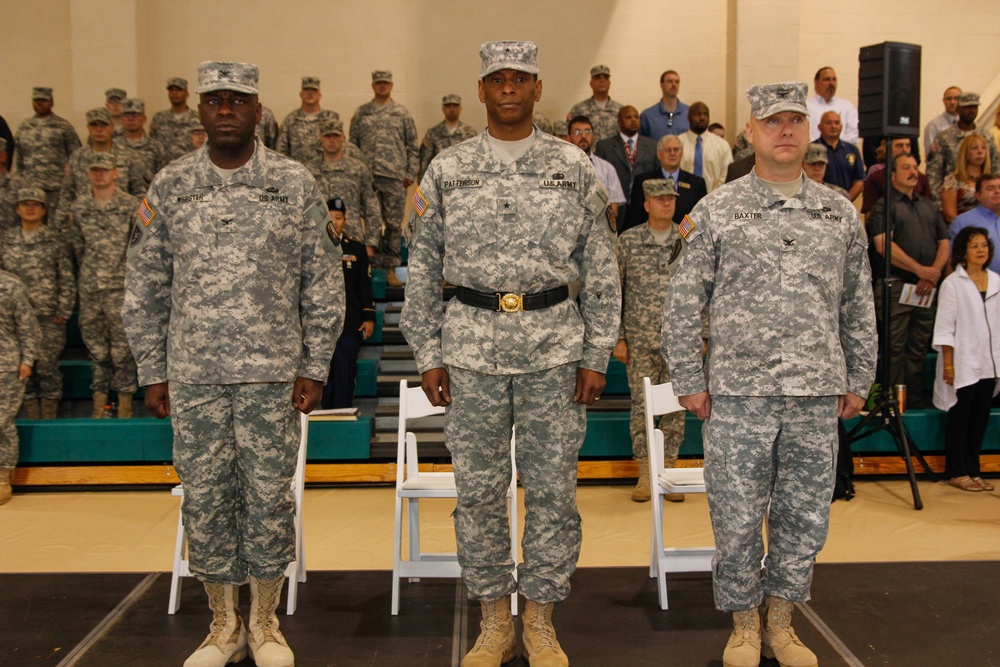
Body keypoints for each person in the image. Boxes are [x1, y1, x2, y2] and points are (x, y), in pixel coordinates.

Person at [399, 41, 620, 667]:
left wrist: (597, 352)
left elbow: (601, 267)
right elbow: (423, 267)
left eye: (519, 79)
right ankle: (495, 619)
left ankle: (542, 621)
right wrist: (427, 352)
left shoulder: (574, 167)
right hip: (470, 349)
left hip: (555, 348)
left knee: (553, 490)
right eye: (496, 79)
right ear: (480, 90)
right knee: (479, 492)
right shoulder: (447, 169)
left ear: (537, 88)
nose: (507, 89)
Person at [122, 60, 344, 667]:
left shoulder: (293, 184)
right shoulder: (169, 186)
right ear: (199, 110)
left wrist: (315, 364)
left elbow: (322, 281)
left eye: (237, 99)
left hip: (273, 375)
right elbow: (144, 284)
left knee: (269, 497)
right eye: (214, 99)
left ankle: (266, 624)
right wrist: (153, 369)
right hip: (194, 376)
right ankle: (223, 625)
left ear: (257, 110)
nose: (225, 109)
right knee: (207, 499)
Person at [663, 81, 876, 667]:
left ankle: (781, 624)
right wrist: (689, 378)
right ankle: (742, 628)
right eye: (772, 121)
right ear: (750, 133)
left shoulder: (837, 212)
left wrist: (859, 377)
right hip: (738, 392)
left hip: (813, 392)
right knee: (735, 516)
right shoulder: (715, 210)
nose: (785, 131)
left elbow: (858, 303)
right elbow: (683, 300)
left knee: (803, 516)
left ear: (808, 131)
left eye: (794, 121)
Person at [614, 179, 689, 503]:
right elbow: (614, 290)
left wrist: (700, 334)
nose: (666, 204)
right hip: (640, 339)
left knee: (677, 406)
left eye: (670, 199)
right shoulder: (628, 241)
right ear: (646, 204)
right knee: (642, 408)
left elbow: (700, 290)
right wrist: (617, 337)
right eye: (659, 199)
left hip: (679, 341)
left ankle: (668, 471)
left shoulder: (688, 239)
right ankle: (646, 473)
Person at [868, 154, 950, 409]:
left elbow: (944, 242)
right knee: (895, 349)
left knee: (918, 349)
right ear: (892, 176)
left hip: (926, 289)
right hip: (897, 287)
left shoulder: (929, 205)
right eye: (906, 168)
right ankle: (891, 404)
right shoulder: (885, 205)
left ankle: (912, 403)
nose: (913, 172)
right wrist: (920, 270)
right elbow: (883, 244)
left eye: (916, 167)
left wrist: (933, 273)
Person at [69, 153, 139, 418]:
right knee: (96, 349)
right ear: (88, 174)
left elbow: (138, 246)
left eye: (105, 170)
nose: (99, 174)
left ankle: (124, 408)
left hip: (120, 287)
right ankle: (99, 406)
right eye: (95, 170)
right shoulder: (79, 207)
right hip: (91, 288)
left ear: (115, 173)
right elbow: (77, 247)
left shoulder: (131, 205)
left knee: (122, 350)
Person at [932, 226, 1000, 493]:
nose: (981, 250)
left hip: (989, 362)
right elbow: (945, 327)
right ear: (963, 251)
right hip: (961, 361)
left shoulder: (996, 281)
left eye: (984, 245)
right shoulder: (952, 284)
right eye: (974, 246)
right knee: (960, 417)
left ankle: (974, 470)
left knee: (980, 417)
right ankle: (957, 471)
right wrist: (948, 364)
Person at [0, 188, 74, 420]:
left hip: (48, 314)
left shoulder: (54, 239)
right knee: (23, 370)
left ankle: (49, 419)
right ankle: (32, 417)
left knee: (47, 367)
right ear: (17, 209)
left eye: (36, 204)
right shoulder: (6, 239)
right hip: (15, 317)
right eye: (25, 204)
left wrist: (64, 308)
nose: (30, 208)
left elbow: (66, 276)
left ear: (44, 210)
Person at [350, 70, 419, 286]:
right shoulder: (362, 113)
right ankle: (374, 266)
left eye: (385, 83)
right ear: (373, 85)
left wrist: (410, 174)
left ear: (391, 85)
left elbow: (413, 146)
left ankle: (390, 268)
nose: (382, 86)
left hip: (394, 177)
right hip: (368, 177)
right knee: (371, 222)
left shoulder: (402, 113)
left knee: (392, 223)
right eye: (378, 83)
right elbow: (352, 146)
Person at [322, 198, 375, 409]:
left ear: (345, 220)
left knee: (345, 372)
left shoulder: (355, 248)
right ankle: (324, 418)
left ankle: (343, 415)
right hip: (321, 322)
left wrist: (369, 316)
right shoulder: (314, 246)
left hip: (349, 322)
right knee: (323, 373)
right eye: (330, 217)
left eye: (339, 217)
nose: (335, 222)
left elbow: (363, 286)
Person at [314, 118, 382, 257]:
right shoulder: (309, 170)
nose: (332, 140)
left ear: (344, 138)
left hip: (352, 240)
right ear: (320, 138)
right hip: (316, 242)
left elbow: (372, 208)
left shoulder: (358, 169)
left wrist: (370, 242)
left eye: (336, 136)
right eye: (327, 136)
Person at [0, 268, 39, 505]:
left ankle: (3, 478)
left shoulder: (10, 285)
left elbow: (27, 326)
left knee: (2, 422)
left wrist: (27, 359)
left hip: (5, 365)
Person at [14, 87, 81, 212]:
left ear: (52, 102)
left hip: (56, 188)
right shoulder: (24, 126)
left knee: (56, 226)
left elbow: (75, 156)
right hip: (30, 188)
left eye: (44, 100)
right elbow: (18, 157)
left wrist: (71, 183)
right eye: (36, 100)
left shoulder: (63, 126)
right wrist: (19, 182)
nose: (40, 103)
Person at [624, 134, 707, 232]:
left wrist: (682, 234)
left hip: (686, 239)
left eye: (676, 150)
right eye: (668, 150)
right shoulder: (643, 181)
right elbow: (634, 218)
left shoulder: (697, 183)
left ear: (681, 154)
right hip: (650, 241)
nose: (672, 153)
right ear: (659, 154)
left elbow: (700, 219)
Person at [594, 105, 658, 226]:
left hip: (643, 206)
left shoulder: (652, 145)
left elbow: (657, 174)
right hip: (616, 205)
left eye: (636, 117)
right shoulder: (605, 146)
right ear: (619, 122)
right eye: (628, 117)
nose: (633, 120)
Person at [276, 77, 340, 173]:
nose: (310, 93)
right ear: (301, 94)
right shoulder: (291, 119)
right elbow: (281, 151)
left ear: (319, 95)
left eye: (314, 90)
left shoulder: (330, 118)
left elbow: (340, 146)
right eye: (306, 90)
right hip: (297, 173)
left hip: (325, 175)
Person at [567, 115, 626, 219]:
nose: (583, 136)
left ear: (593, 136)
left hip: (599, 229)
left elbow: (614, 208)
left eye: (587, 131)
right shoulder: (560, 166)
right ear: (568, 137)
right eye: (577, 132)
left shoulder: (607, 168)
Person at [418, 94, 478, 182]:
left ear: (460, 108)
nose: (452, 109)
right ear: (443, 109)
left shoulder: (470, 133)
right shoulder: (433, 133)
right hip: (440, 183)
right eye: (448, 106)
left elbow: (477, 162)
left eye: (455, 106)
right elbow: (425, 163)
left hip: (464, 183)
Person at [678, 101, 733, 192]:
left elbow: (726, 174)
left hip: (714, 197)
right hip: (683, 197)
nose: (702, 118)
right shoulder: (678, 143)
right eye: (698, 114)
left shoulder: (722, 145)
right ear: (688, 117)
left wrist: (713, 195)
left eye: (706, 114)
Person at [951, 173, 1000, 273]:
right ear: (978, 195)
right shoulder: (962, 222)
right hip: (977, 285)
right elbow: (952, 260)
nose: (997, 191)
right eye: (990, 188)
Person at [812, 111, 864, 200]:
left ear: (841, 127)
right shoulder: (810, 149)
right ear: (819, 127)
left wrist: (845, 201)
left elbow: (860, 181)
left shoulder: (852, 150)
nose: (833, 126)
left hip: (846, 204)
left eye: (837, 123)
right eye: (829, 123)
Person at [566, 65, 623, 143]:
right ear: (591, 83)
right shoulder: (578, 109)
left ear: (609, 83)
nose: (602, 81)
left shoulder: (620, 110)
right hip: (587, 153)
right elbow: (569, 133)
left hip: (612, 154)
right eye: (597, 78)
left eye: (605, 78)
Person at [942, 134, 991, 224]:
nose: (980, 151)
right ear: (965, 153)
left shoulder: (991, 181)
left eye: (983, 148)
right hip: (963, 231)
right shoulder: (953, 181)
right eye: (974, 148)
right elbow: (950, 215)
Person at [150, 77, 200, 163]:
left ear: (187, 93)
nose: (174, 93)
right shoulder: (159, 118)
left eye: (179, 90)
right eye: (171, 90)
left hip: (189, 169)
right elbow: (152, 145)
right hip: (163, 169)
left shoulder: (197, 118)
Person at [805, 67, 859, 144]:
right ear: (816, 82)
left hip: (841, 153)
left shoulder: (847, 107)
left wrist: (835, 146)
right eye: (826, 79)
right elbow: (802, 134)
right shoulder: (806, 107)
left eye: (834, 79)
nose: (831, 83)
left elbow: (853, 134)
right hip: (813, 152)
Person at [639, 70, 689, 141]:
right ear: (661, 85)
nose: (674, 84)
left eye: (677, 82)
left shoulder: (689, 113)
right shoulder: (647, 115)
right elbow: (640, 143)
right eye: (670, 81)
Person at [923, 86, 962, 156]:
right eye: (948, 99)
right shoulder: (933, 126)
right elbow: (930, 156)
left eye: (956, 98)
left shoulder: (968, 125)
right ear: (943, 101)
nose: (952, 102)